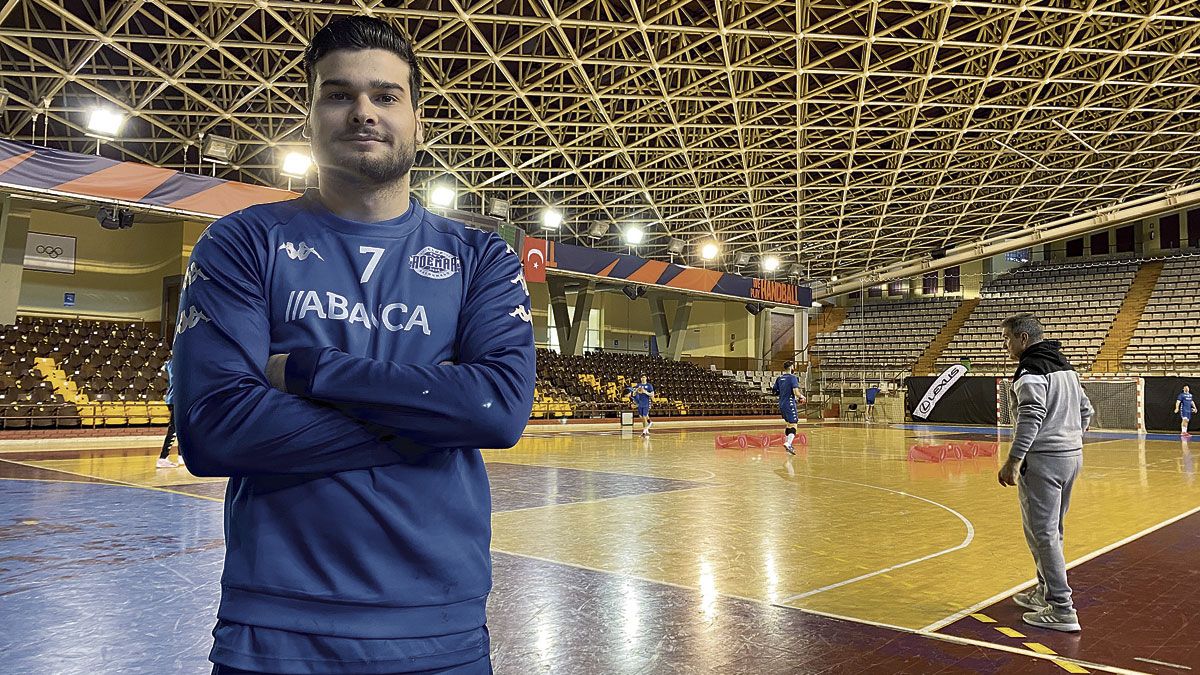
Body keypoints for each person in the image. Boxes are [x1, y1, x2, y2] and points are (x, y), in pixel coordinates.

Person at [172, 16, 535, 675]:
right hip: (275, 630)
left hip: (440, 629)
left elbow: (497, 411)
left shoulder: (480, 258)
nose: (363, 111)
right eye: (338, 95)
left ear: (418, 120)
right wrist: (432, 418)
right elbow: (215, 431)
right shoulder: (242, 244)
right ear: (309, 117)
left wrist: (309, 369)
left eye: (385, 96)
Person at [997, 314, 1092, 633]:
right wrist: (1070, 439)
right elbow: (1086, 411)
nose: (1005, 346)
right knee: (1053, 530)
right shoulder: (1064, 365)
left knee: (1044, 533)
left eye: (1007, 339)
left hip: (1043, 462)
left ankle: (1062, 609)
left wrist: (1013, 459)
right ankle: (1045, 592)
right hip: (1070, 458)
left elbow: (1032, 415)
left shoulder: (1030, 369)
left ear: (1023, 338)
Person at [772, 362, 806, 454]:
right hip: (789, 404)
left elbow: (774, 392)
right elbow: (796, 392)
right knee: (794, 424)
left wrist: (784, 391)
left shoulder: (779, 378)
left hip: (781, 404)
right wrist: (802, 397)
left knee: (788, 424)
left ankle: (788, 446)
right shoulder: (792, 378)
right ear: (791, 367)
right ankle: (788, 443)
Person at [155, 358, 178, 469]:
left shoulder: (170, 362)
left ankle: (181, 455)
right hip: (177, 398)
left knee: (180, 428)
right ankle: (163, 458)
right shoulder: (182, 362)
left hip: (171, 398)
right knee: (174, 428)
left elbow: (163, 368)